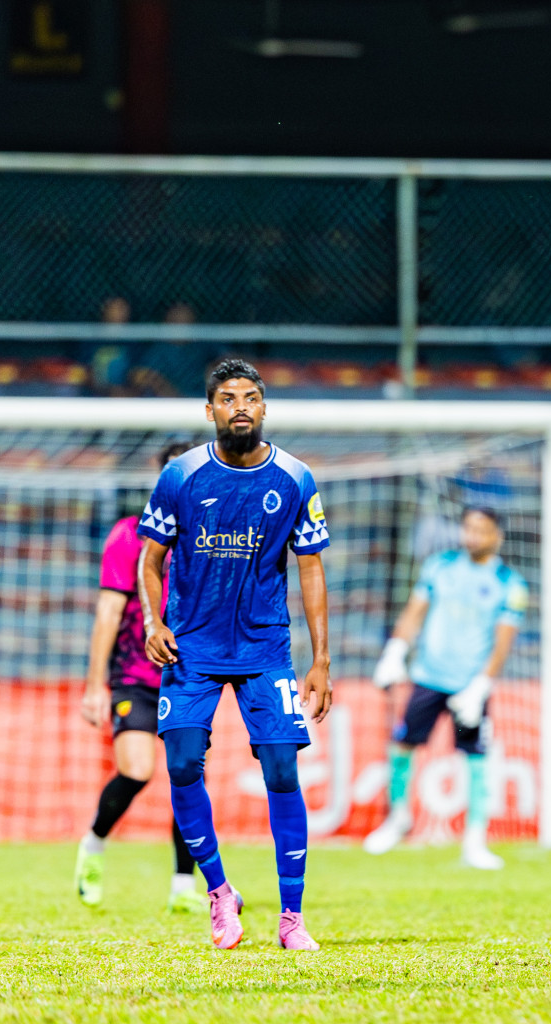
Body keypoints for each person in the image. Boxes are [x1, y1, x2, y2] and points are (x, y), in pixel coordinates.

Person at [138, 358, 333, 951]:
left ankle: (292, 918)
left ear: (264, 407)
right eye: (228, 398)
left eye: (251, 396)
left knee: (280, 768)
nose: (240, 405)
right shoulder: (181, 475)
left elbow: (311, 568)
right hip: (190, 648)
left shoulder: (296, 478)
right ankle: (220, 894)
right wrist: (152, 621)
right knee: (179, 764)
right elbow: (149, 560)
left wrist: (320, 659)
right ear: (210, 410)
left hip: (265, 648)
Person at [76, 441, 204, 912]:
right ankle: (92, 845)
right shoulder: (129, 535)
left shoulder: (209, 539)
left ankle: (183, 889)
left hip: (190, 677)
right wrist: (94, 686)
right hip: (134, 674)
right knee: (137, 770)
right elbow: (109, 611)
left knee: (187, 776)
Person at [365, 507, 527, 870]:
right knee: (403, 743)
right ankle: (399, 817)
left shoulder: (510, 583)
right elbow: (414, 612)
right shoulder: (439, 566)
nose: (473, 536)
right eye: (468, 528)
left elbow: (503, 642)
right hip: (428, 676)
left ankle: (475, 840)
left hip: (469, 684)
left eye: (482, 530)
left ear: (496, 536)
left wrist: (482, 685)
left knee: (475, 756)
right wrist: (395, 651)